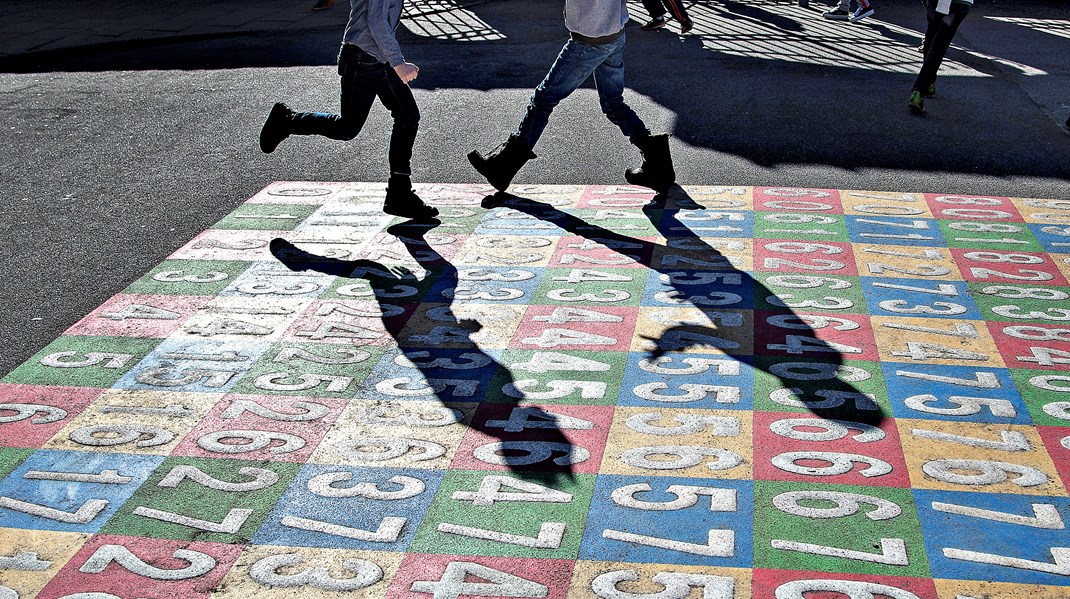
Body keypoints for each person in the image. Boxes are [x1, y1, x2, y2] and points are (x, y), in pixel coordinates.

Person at [468, 0, 676, 193]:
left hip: (588, 40)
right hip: (613, 32)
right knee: (613, 102)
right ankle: (658, 164)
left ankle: (503, 166)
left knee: (543, 99)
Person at [259, 0, 439, 220]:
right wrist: (398, 63)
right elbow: (376, 21)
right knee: (347, 127)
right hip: (362, 59)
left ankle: (399, 194)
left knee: (408, 115)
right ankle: (287, 120)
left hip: (377, 59)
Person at [908, 0, 972, 114]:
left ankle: (928, 84)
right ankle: (919, 90)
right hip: (959, 3)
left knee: (932, 35)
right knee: (939, 45)